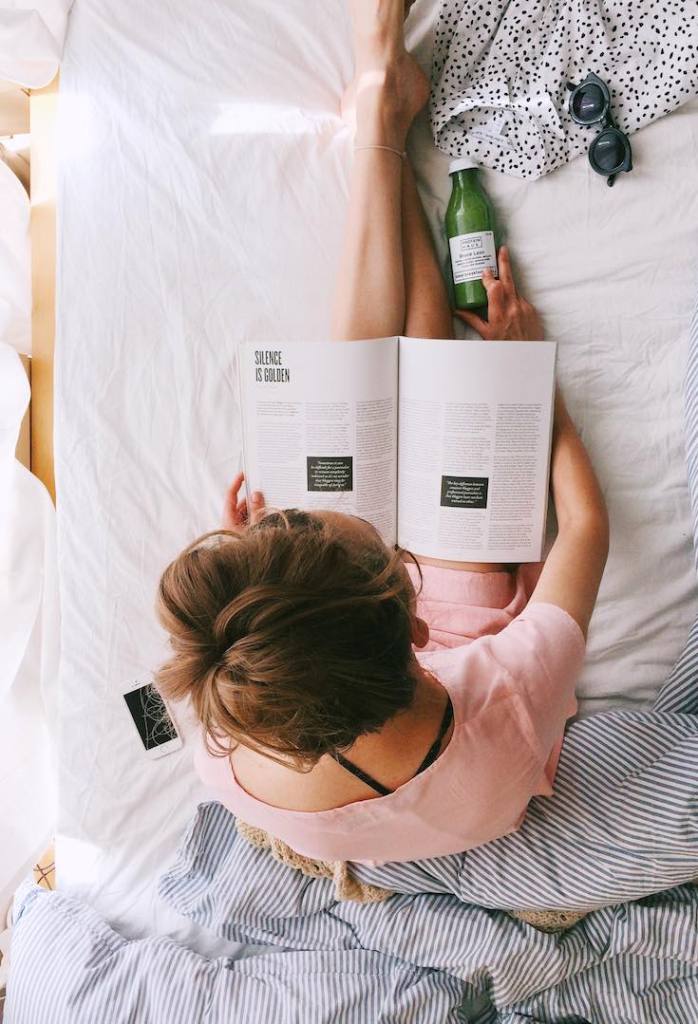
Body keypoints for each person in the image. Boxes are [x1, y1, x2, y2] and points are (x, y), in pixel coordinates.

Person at [154, 0, 608, 866]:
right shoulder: (500, 704)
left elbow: (163, 698)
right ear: (410, 625)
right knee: (453, 410)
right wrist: (531, 384)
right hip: (452, 692)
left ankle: (382, 118)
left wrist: (261, 592)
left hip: (324, 664)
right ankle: (383, 116)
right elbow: (586, 528)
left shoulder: (218, 714)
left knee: (343, 409)